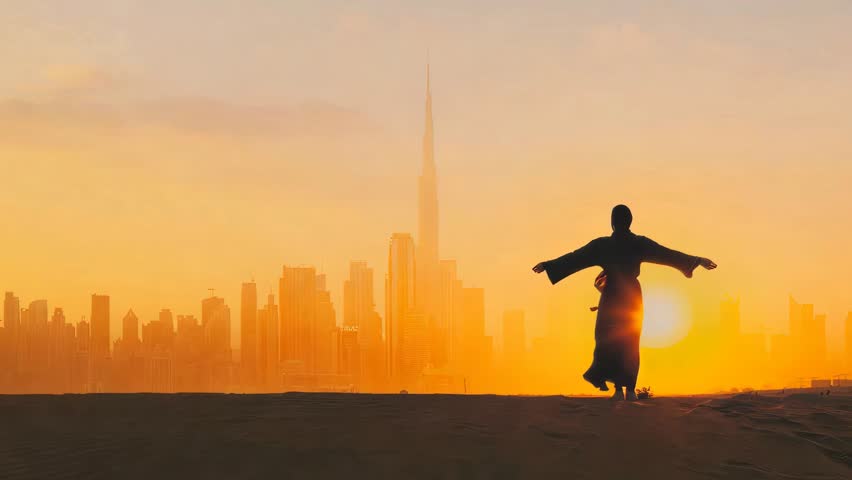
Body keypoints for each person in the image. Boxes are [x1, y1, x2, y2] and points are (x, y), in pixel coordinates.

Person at [532, 205, 716, 401]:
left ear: (612, 222)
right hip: (631, 297)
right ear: (630, 222)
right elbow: (667, 254)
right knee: (630, 343)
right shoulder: (639, 243)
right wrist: (697, 260)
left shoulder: (602, 245)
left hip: (611, 297)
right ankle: (629, 390)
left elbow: (575, 258)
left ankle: (619, 390)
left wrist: (549, 265)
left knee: (609, 342)